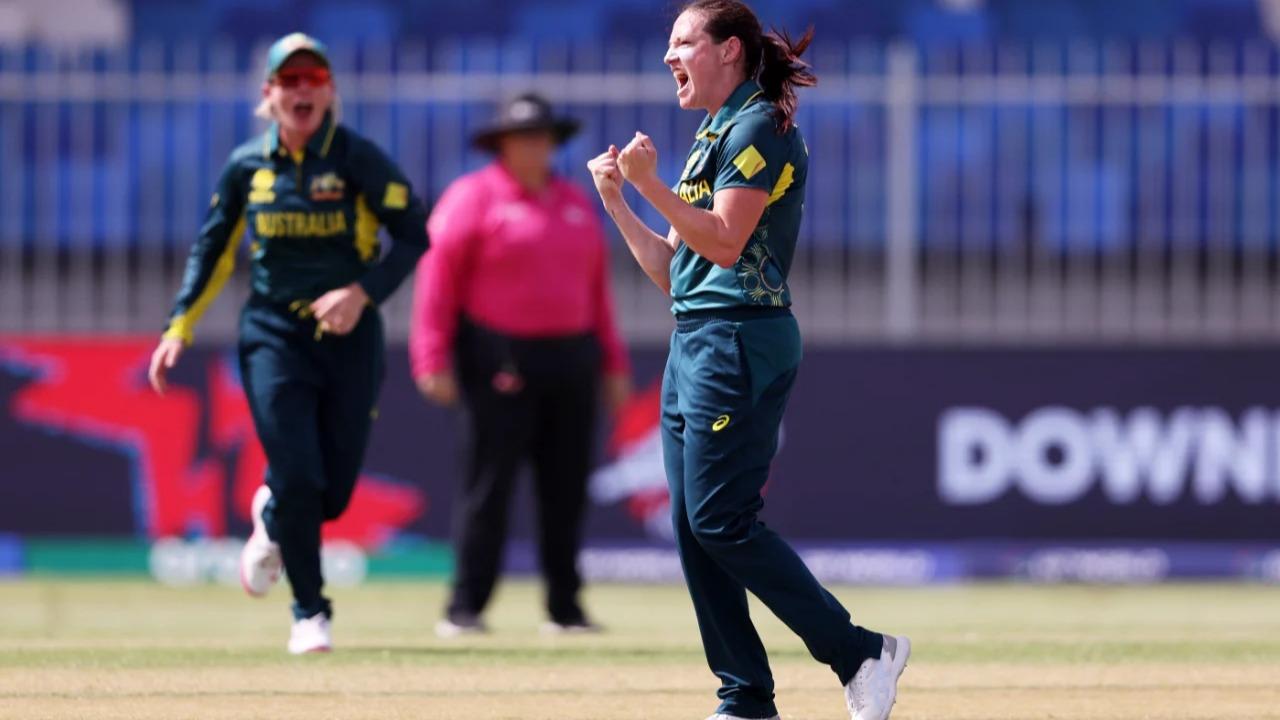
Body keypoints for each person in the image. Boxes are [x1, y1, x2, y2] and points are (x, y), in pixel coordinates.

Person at [585, 2, 909, 719]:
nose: (669, 56)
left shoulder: (757, 123)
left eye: (683, 42)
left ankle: (860, 652)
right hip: (695, 336)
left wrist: (648, 183)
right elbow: (678, 272)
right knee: (694, 528)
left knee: (721, 521)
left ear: (729, 50)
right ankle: (745, 698)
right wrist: (619, 202)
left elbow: (726, 242)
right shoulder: (712, 133)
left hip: (739, 338)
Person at [147, 32, 429, 654]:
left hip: (351, 339)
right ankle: (310, 612)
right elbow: (213, 249)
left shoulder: (357, 158)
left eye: (314, 80)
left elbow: (414, 234)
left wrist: (362, 293)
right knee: (300, 474)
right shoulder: (248, 165)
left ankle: (271, 516)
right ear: (268, 95)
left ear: (329, 92)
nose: (302, 90)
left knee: (331, 495)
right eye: (289, 81)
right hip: (273, 333)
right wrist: (177, 328)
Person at [411, 93, 631, 637]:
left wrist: (612, 360)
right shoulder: (472, 198)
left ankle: (565, 608)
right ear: (502, 144)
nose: (536, 145)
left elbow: (596, 290)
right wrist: (431, 355)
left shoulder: (576, 202)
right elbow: (436, 281)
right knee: (488, 487)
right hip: (497, 359)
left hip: (573, 358)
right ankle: (466, 607)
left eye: (543, 135)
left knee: (566, 488)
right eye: (524, 135)